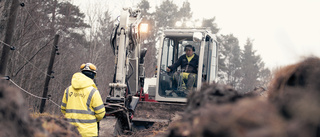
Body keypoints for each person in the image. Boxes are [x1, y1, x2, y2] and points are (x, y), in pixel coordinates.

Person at [61, 63, 105, 137]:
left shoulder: (68, 90)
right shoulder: (93, 92)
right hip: (88, 133)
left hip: (70, 131)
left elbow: (63, 109)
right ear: (93, 76)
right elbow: (100, 113)